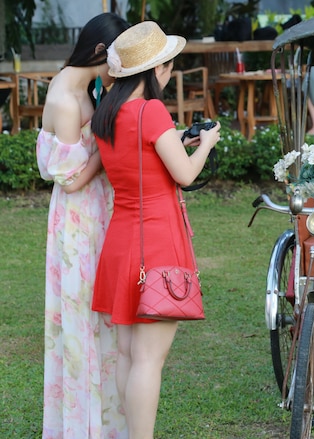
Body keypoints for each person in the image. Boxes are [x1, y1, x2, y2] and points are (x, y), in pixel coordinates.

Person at [90, 21, 220, 437]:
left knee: (129, 354)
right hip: (158, 240)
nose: (169, 72)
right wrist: (206, 146)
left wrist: (179, 140)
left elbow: (142, 158)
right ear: (156, 69)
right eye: (167, 65)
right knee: (149, 359)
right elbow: (182, 175)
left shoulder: (108, 112)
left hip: (123, 238)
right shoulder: (151, 110)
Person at [36, 12, 130, 439]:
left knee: (101, 317)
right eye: (117, 56)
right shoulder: (65, 99)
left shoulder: (85, 86)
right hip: (77, 219)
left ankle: (105, 422)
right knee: (79, 320)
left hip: (96, 210)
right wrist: (105, 151)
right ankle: (81, 427)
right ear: (99, 52)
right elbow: (70, 180)